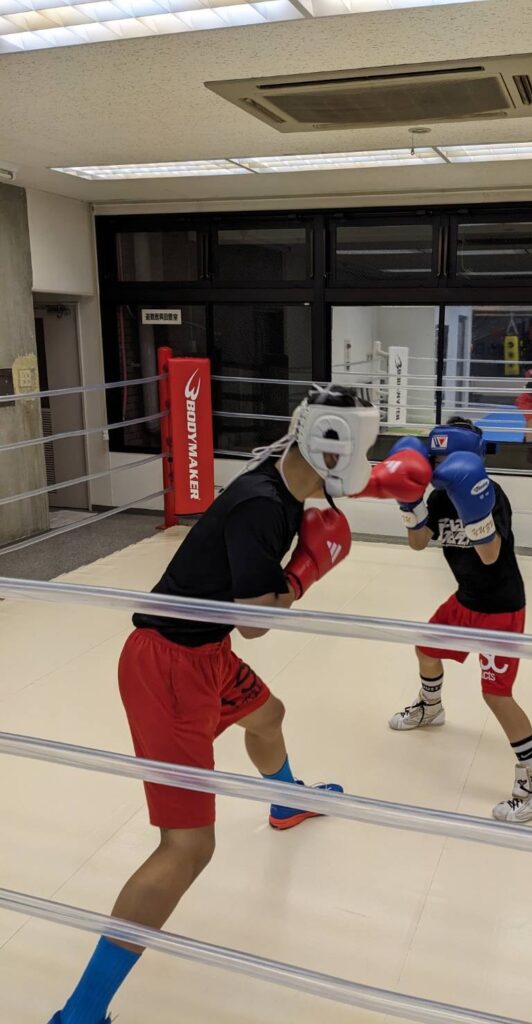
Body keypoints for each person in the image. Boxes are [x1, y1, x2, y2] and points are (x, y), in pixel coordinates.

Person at [48, 384, 381, 1024]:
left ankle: (284, 801)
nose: (366, 460)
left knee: (268, 716)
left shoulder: (283, 487)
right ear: (332, 446)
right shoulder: (263, 506)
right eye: (362, 444)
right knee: (189, 847)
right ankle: (80, 1014)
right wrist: (307, 571)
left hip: (204, 652)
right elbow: (255, 622)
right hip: (169, 667)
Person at [385, 418, 532, 824]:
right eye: (435, 459)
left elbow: (490, 554)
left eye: (445, 459)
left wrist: (471, 505)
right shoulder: (439, 497)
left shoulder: (490, 494)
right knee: (426, 649)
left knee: (496, 695)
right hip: (465, 598)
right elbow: (418, 544)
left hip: (501, 607)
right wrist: (409, 504)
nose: (439, 466)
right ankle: (431, 708)